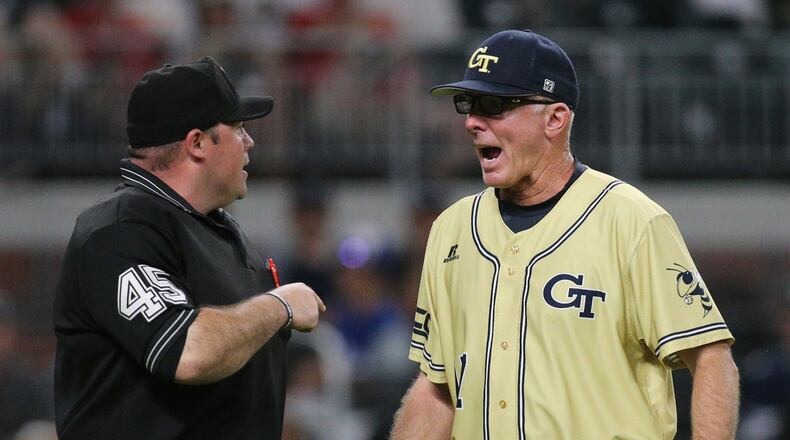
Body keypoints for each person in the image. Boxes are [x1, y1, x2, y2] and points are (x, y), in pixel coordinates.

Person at [390, 30, 740, 439]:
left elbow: (711, 359)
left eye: (495, 106)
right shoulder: (450, 229)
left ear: (555, 118)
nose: (472, 122)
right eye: (468, 104)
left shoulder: (631, 221)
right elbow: (438, 389)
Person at [53, 56, 326, 439]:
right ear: (197, 143)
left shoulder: (213, 228)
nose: (250, 142)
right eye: (238, 128)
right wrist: (279, 305)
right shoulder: (118, 231)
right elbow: (187, 351)